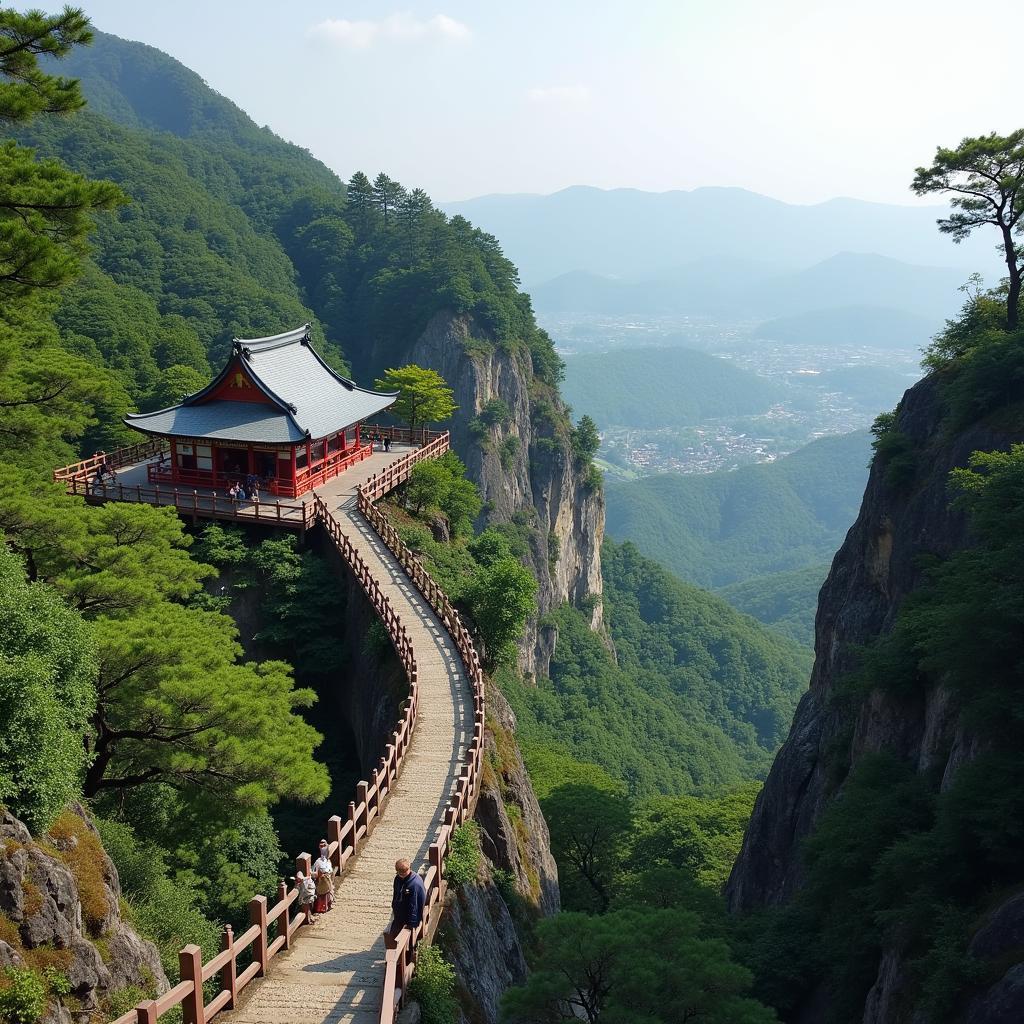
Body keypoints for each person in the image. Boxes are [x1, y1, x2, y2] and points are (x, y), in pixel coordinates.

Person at [387, 858, 426, 944]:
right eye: (398, 873)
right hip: (399, 916)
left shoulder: (414, 884)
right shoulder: (398, 879)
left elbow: (414, 905)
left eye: (402, 873)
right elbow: (396, 894)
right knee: (392, 937)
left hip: (409, 919)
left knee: (403, 942)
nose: (399, 875)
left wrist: (411, 925)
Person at [313, 840, 334, 912]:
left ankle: (328, 905)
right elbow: (315, 872)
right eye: (321, 846)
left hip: (327, 877)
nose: (322, 848)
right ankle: (321, 908)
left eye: (324, 846)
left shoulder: (328, 861)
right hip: (320, 879)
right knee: (321, 893)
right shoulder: (317, 861)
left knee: (328, 891)